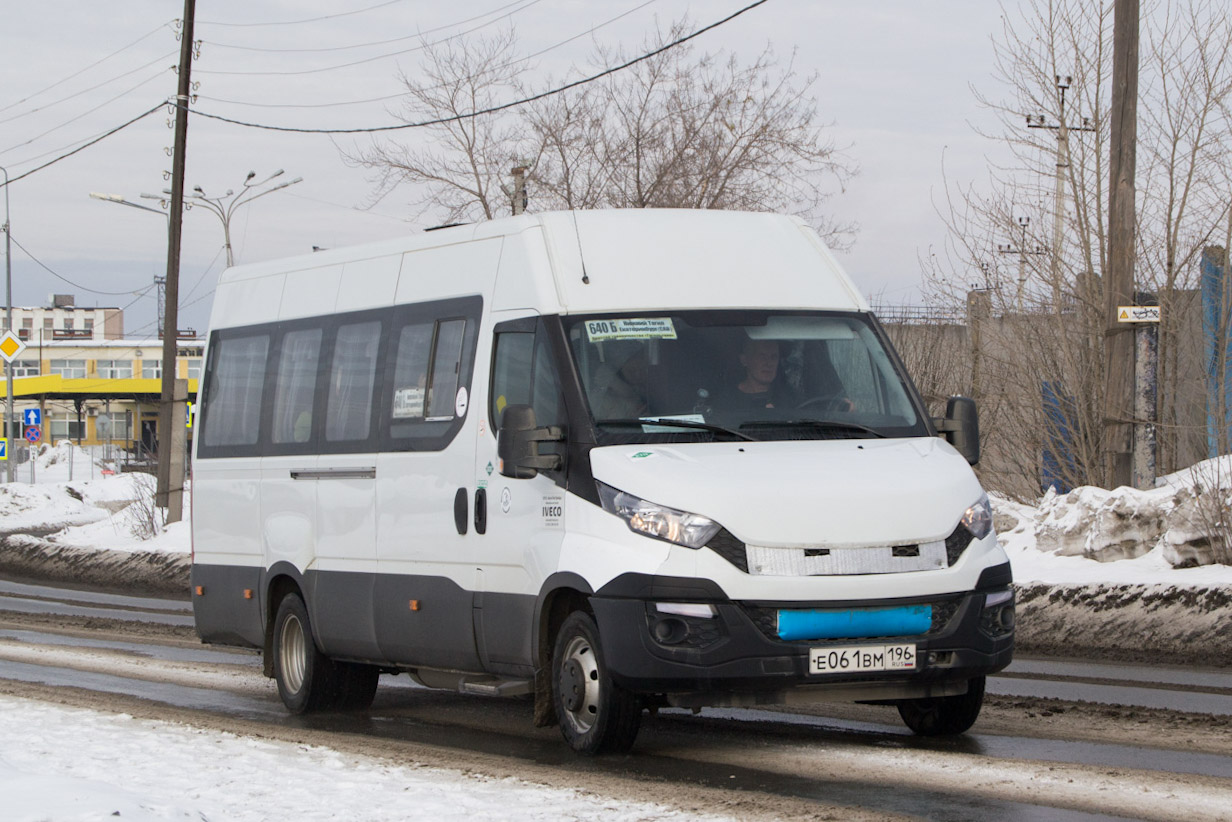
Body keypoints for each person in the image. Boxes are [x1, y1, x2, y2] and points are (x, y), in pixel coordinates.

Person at [590, 345, 649, 419]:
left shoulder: (649, 393)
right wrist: (632, 422)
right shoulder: (603, 397)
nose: (638, 374)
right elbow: (604, 428)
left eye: (642, 370)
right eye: (632, 370)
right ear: (621, 366)